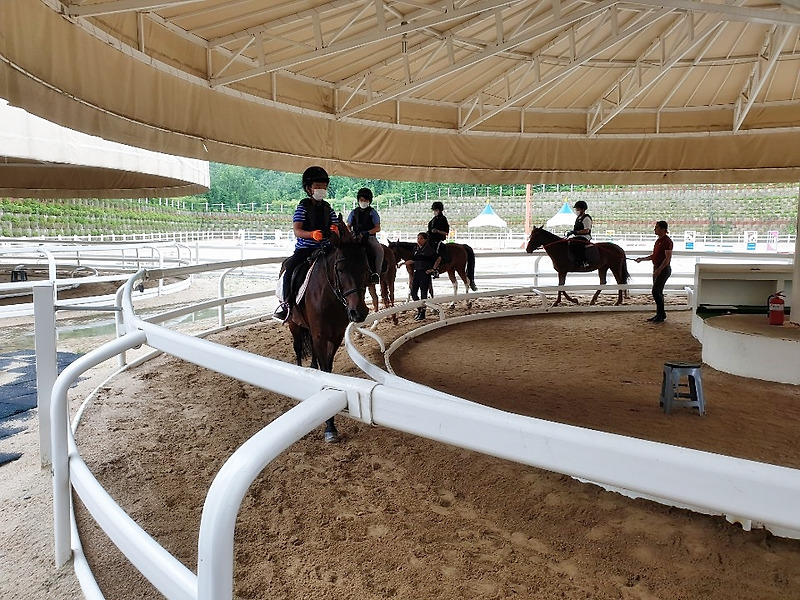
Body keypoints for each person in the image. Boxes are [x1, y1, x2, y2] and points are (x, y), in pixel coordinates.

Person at [273, 166, 339, 322]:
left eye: (323, 187)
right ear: (309, 189)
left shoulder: (328, 208)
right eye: (317, 187)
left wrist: (335, 229)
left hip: (326, 247)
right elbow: (297, 230)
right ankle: (286, 306)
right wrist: (311, 234)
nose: (321, 189)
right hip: (305, 248)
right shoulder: (302, 208)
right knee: (289, 269)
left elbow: (335, 225)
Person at [636, 220, 673, 323]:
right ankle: (660, 314)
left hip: (663, 269)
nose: (654, 229)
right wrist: (642, 259)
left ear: (662, 229)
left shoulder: (667, 241)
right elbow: (654, 256)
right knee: (658, 291)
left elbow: (667, 259)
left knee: (656, 291)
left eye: (656, 227)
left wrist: (659, 270)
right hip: (657, 268)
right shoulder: (659, 241)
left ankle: (661, 314)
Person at [346, 187, 383, 284]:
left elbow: (377, 228)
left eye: (365, 200)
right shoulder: (354, 212)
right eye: (361, 200)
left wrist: (366, 233)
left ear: (369, 201)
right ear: (358, 200)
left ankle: (376, 273)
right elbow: (348, 225)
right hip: (355, 236)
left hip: (369, 236)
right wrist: (351, 233)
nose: (363, 202)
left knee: (379, 251)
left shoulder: (373, 212)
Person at [400, 232, 437, 321]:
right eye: (418, 238)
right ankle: (419, 309)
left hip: (425, 273)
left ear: (425, 240)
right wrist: (402, 263)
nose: (418, 240)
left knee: (423, 293)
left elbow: (438, 258)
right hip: (417, 273)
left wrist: (433, 269)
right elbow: (413, 260)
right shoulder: (416, 249)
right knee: (413, 293)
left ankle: (423, 313)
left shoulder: (429, 250)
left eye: (420, 238)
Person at [566, 200, 593, 269]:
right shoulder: (578, 218)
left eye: (577, 209)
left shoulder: (586, 218)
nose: (576, 210)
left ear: (582, 209)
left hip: (585, 236)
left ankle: (583, 261)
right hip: (578, 236)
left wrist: (575, 232)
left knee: (576, 244)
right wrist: (572, 232)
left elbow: (586, 230)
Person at [427, 201, 450, 273]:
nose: (435, 212)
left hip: (438, 239)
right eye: (434, 210)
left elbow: (446, 232)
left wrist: (437, 231)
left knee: (435, 252)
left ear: (439, 210)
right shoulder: (433, 220)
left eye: (436, 210)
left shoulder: (443, 219)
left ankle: (435, 268)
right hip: (430, 238)